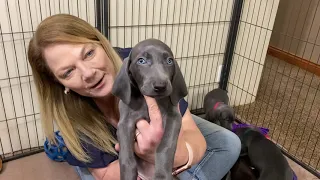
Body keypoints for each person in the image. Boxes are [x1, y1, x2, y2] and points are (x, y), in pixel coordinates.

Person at [27, 14, 241, 180]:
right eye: (68, 72)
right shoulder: (72, 118)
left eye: (89, 53)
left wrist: (172, 155)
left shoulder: (141, 61)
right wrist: (141, 155)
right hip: (116, 163)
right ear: (60, 84)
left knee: (228, 143)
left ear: (101, 43)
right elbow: (112, 174)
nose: (88, 73)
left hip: (161, 143)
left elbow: (189, 131)